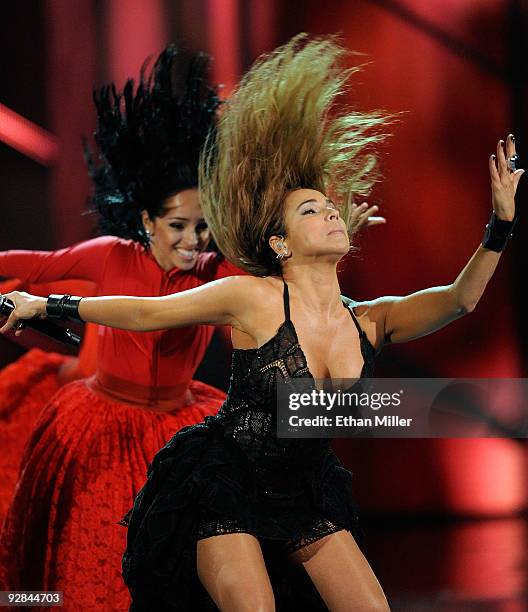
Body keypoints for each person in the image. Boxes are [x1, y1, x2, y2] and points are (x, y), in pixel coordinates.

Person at [5, 34, 517, 610]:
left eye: (328, 208)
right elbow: (148, 312)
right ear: (280, 243)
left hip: (304, 491)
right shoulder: (255, 298)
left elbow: (460, 298)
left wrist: (499, 224)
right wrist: (48, 305)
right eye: (309, 210)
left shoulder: (371, 321)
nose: (327, 212)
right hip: (223, 486)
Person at [0, 46, 241, 610]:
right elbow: (33, 266)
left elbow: (276, 274)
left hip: (181, 433)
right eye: (178, 225)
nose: (192, 240)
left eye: (203, 227)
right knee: (88, 578)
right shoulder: (110, 254)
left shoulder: (217, 272)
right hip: (102, 427)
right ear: (146, 222)